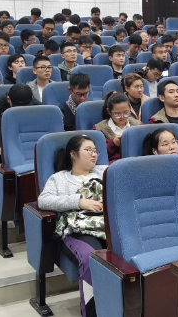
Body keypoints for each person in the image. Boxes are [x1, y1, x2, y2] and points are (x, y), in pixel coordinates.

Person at [37, 134, 108, 317]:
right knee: (91, 259)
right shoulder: (59, 178)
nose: (94, 154)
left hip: (106, 226)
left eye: (95, 151)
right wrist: (79, 202)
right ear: (73, 154)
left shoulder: (104, 172)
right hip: (78, 230)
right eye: (88, 150)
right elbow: (44, 201)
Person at [0, 83, 39, 149]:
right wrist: (4, 134)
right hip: (4, 146)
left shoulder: (37, 106)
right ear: (8, 100)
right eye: (18, 107)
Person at [94, 91, 142, 164]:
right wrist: (113, 143)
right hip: (113, 165)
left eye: (126, 112)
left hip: (136, 162)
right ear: (109, 111)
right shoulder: (100, 129)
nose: (122, 116)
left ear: (130, 109)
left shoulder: (138, 125)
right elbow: (98, 153)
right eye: (117, 114)